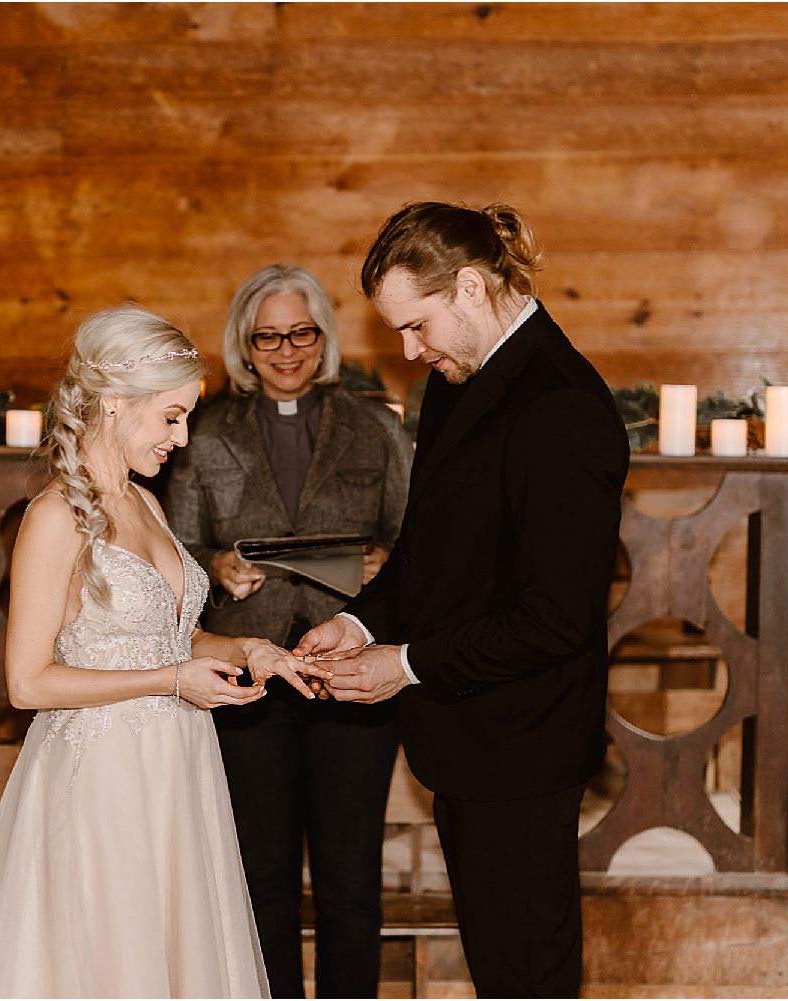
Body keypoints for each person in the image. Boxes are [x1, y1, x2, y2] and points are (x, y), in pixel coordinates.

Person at [0, 304, 331, 999]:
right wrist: (173, 679)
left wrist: (248, 647)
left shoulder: (147, 505)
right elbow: (27, 681)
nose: (180, 439)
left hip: (177, 766)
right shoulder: (55, 516)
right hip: (103, 779)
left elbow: (172, 636)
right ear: (116, 404)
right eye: (172, 416)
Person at [294, 203, 630, 998]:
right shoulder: (456, 382)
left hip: (523, 743)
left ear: (473, 287)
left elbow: (558, 618)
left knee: (526, 975)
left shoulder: (562, 406)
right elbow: (428, 552)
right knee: (496, 966)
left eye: (418, 325)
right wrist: (358, 620)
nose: (410, 351)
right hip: (465, 734)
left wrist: (403, 665)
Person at [162, 264, 413, 999]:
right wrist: (216, 564)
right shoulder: (206, 432)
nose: (285, 350)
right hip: (251, 678)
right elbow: (174, 553)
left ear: (323, 336)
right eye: (267, 335)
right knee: (261, 880)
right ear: (245, 342)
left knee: (349, 881)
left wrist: (384, 560)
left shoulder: (374, 425)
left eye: (300, 332)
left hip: (351, 673)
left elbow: (417, 539)